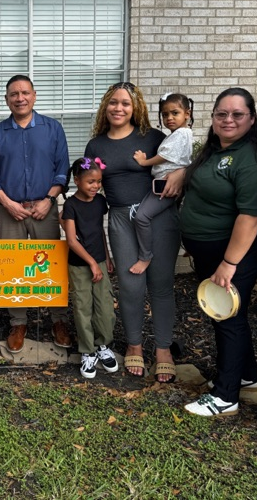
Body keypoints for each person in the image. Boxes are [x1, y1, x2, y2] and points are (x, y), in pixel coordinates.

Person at [180, 87, 257, 417]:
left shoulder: (250, 157)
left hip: (235, 251)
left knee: (226, 315)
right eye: (222, 114)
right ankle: (247, 380)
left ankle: (225, 397)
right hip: (214, 250)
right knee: (227, 313)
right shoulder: (217, 150)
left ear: (252, 118)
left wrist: (229, 263)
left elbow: (251, 216)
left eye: (237, 114)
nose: (228, 120)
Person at [84, 82, 179, 383]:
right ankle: (135, 344)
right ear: (105, 106)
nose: (119, 108)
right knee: (130, 285)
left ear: (136, 107)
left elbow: (181, 164)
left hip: (159, 215)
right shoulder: (96, 146)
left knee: (161, 284)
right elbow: (89, 185)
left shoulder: (154, 139)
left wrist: (182, 174)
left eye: (126, 103)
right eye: (113, 102)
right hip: (121, 219)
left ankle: (163, 349)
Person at [0, 74, 72, 353]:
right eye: (13, 94)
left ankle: (57, 319)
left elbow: (62, 168)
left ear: (34, 96)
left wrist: (49, 200)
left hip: (44, 208)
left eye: (24, 93)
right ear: (6, 99)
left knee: (50, 264)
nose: (19, 98)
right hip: (10, 209)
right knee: (13, 267)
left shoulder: (52, 128)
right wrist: (7, 203)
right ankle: (18, 322)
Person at [61, 157, 118, 379]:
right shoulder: (70, 205)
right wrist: (92, 263)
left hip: (100, 261)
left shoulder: (100, 202)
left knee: (104, 306)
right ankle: (87, 351)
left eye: (98, 181)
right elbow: (72, 240)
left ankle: (103, 345)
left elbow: (99, 231)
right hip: (79, 265)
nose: (95, 186)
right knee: (83, 307)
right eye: (90, 182)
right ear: (77, 180)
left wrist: (105, 256)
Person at [131, 93, 194, 274]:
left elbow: (166, 156)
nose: (169, 118)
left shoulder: (181, 134)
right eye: (165, 114)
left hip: (166, 186)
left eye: (175, 113)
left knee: (141, 217)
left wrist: (144, 161)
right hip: (163, 185)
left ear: (187, 114)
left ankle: (145, 256)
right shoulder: (179, 134)